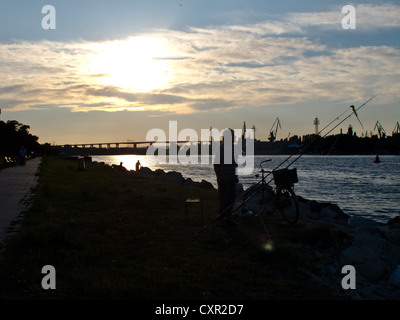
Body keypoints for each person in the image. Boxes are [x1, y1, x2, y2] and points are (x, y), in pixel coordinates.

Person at [213, 129, 238, 224]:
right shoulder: (221, 148)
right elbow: (216, 164)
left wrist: (236, 177)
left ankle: (228, 218)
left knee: (232, 199)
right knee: (224, 200)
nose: (234, 138)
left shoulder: (233, 148)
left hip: (232, 178)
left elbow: (234, 164)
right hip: (224, 179)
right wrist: (219, 177)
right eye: (233, 136)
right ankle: (222, 218)